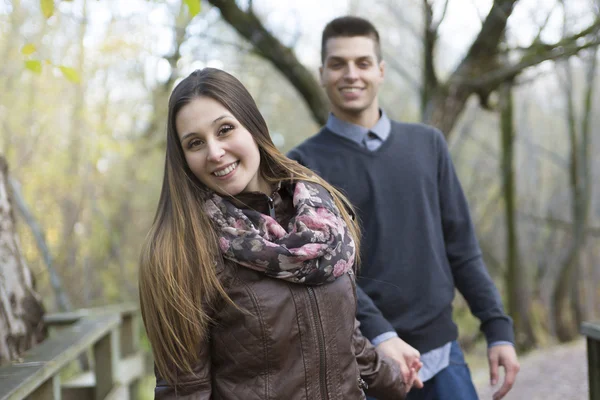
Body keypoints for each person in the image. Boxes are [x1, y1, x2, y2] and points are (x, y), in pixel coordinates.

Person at [138, 67, 415, 399]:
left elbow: (346, 338)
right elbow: (185, 389)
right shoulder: (182, 250)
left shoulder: (320, 217)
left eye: (225, 129)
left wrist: (395, 378)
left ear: (253, 126)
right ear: (183, 158)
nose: (214, 152)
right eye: (195, 143)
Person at [287, 16, 520, 400]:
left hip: (443, 358)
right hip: (364, 367)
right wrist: (381, 334)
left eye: (362, 63)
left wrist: (497, 328)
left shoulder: (427, 145)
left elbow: (462, 248)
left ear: (380, 71)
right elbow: (324, 271)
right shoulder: (303, 167)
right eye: (337, 64)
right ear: (322, 74)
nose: (351, 74)